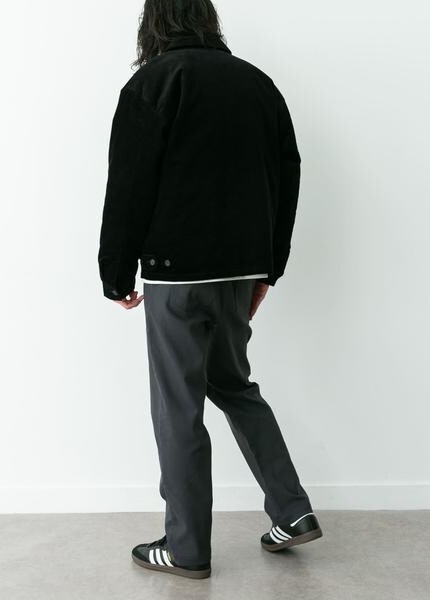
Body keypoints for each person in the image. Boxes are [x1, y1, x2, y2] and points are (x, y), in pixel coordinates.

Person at [98, 0, 322, 580]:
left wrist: (115, 273)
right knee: (233, 385)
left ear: (153, 22)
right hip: (240, 271)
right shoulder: (257, 83)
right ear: (208, 19)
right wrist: (268, 268)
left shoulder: (153, 82)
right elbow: (288, 174)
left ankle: (187, 547)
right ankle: (293, 511)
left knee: (179, 408)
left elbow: (128, 182)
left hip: (177, 274)